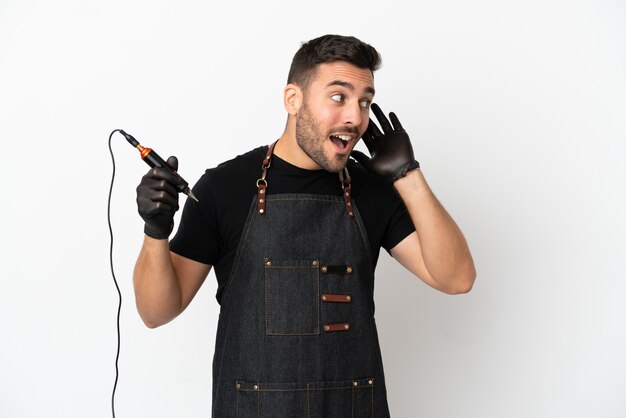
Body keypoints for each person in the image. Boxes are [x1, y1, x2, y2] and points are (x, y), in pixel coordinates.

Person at [133, 34, 476, 417]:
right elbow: (156, 312)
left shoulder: (371, 192)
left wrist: (407, 176)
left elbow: (457, 278)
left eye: (365, 101)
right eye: (338, 97)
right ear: (292, 99)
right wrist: (155, 231)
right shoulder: (224, 187)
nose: (355, 117)